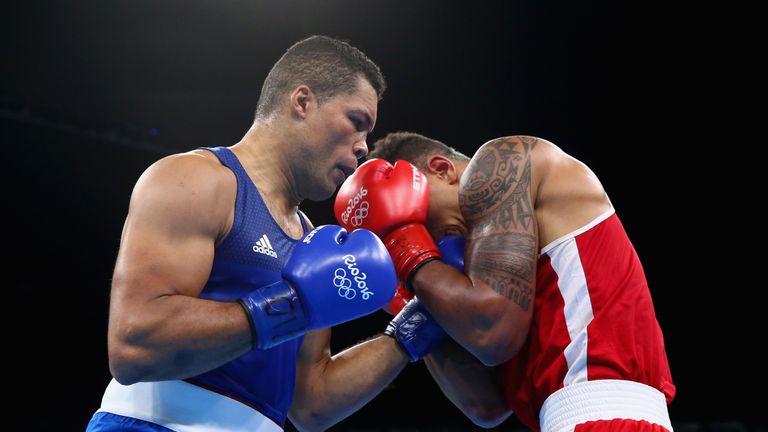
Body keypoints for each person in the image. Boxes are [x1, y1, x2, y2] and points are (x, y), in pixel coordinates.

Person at [86, 36, 426, 432]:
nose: (363, 147)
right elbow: (134, 346)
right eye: (356, 122)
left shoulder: (313, 244)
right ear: (303, 101)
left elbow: (311, 404)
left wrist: (416, 327)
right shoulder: (198, 180)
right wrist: (290, 305)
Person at [334, 132, 676, 431]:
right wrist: (412, 298)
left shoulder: (503, 161)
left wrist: (403, 244)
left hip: (603, 416)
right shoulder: (479, 280)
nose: (432, 242)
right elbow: (486, 406)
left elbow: (491, 335)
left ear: (441, 169)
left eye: (419, 220)